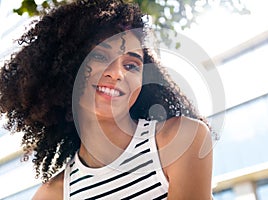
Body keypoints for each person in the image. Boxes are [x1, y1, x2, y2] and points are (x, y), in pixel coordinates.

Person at [0, 0, 213, 199]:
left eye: (131, 65)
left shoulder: (182, 139)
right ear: (66, 69)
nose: (118, 73)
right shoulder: (51, 195)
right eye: (100, 57)